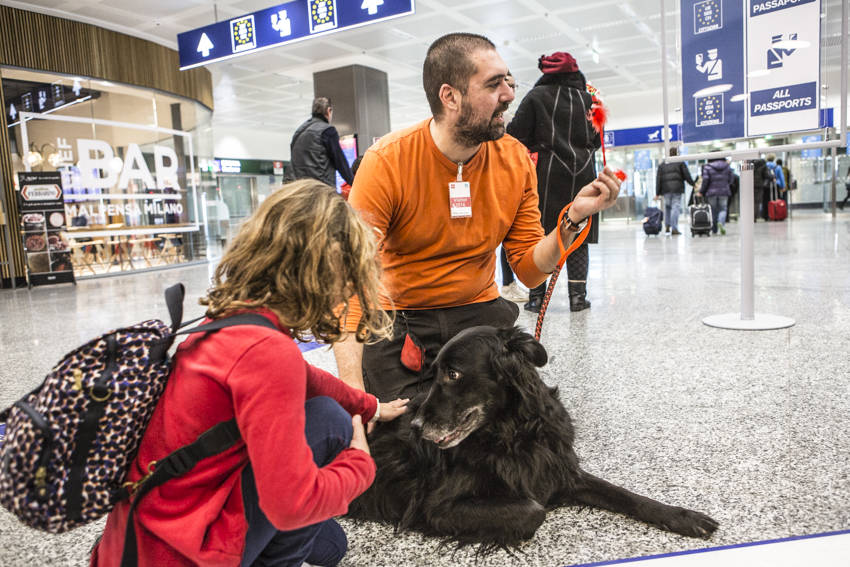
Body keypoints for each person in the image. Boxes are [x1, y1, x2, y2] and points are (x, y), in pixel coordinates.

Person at [91, 180, 409, 567]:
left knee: (330, 548)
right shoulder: (267, 352)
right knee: (330, 423)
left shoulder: (230, 318)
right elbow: (292, 506)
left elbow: (307, 377)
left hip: (141, 534)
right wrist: (360, 464)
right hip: (183, 550)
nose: (349, 290)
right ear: (326, 271)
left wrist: (370, 405)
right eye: (350, 275)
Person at [334, 33, 622, 402]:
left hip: (478, 315)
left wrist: (573, 218)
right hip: (400, 320)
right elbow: (349, 284)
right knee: (411, 441)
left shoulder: (514, 159)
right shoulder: (387, 162)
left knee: (518, 429)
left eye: (509, 81)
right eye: (493, 84)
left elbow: (529, 270)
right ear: (450, 96)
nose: (509, 94)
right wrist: (354, 398)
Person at [506, 51, 603, 313]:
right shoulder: (589, 100)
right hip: (584, 174)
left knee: (544, 233)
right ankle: (577, 298)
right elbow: (596, 140)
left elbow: (515, 135)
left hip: (548, 174)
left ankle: (537, 298)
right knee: (579, 232)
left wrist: (539, 143)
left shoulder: (537, 97)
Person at [499, 71, 528, 303]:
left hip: (512, 184)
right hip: (500, 185)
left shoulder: (513, 119)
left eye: (514, 86)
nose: (510, 91)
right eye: (506, 84)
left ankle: (509, 284)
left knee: (511, 237)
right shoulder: (498, 122)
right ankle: (507, 285)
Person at [290, 97, 354, 188]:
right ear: (329, 111)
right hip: (321, 189)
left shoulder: (299, 132)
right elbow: (340, 162)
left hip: (302, 189)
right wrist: (354, 183)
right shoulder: (327, 131)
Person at [654, 147, 695, 235]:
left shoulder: (662, 165)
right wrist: (693, 184)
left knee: (667, 208)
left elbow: (658, 179)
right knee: (675, 208)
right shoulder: (680, 162)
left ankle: (667, 226)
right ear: (677, 153)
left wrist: (657, 193)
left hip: (666, 190)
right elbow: (686, 175)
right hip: (677, 189)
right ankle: (674, 228)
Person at [697, 157, 733, 235]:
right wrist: (726, 185)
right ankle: (721, 223)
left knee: (713, 210)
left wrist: (701, 191)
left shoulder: (708, 167)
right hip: (724, 191)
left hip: (711, 192)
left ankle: (714, 229)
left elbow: (705, 180)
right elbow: (731, 179)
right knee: (723, 209)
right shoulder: (727, 166)